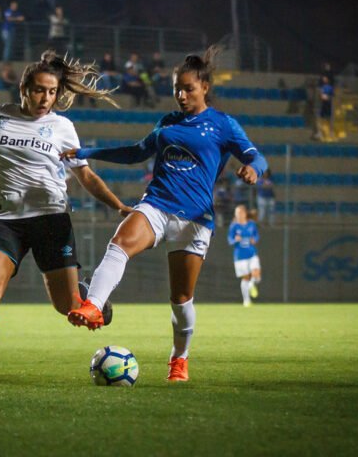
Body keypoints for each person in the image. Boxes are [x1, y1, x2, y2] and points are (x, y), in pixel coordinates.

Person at [64, 45, 267, 382]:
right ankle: (94, 306)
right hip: (157, 205)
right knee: (120, 242)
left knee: (181, 297)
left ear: (205, 87)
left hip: (195, 220)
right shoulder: (167, 123)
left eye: (188, 88)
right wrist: (87, 152)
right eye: (176, 88)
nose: (181, 95)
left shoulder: (223, 125)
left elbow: (256, 157)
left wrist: (253, 170)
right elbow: (135, 153)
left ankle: (179, 360)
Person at [0, 50, 132, 381]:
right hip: (3, 217)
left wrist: (118, 205)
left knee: (68, 308)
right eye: (39, 90)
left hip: (51, 219)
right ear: (24, 88)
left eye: (52, 92)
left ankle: (89, 296)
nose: (45, 98)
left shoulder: (62, 127)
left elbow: (86, 175)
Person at [228, 204, 261, 307]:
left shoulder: (251, 224)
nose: (238, 215)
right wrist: (235, 240)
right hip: (240, 256)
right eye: (236, 213)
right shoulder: (234, 226)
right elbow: (230, 240)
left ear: (244, 214)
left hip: (251, 253)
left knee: (256, 274)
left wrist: (254, 240)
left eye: (239, 213)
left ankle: (252, 284)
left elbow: (256, 236)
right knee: (245, 278)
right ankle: (246, 300)